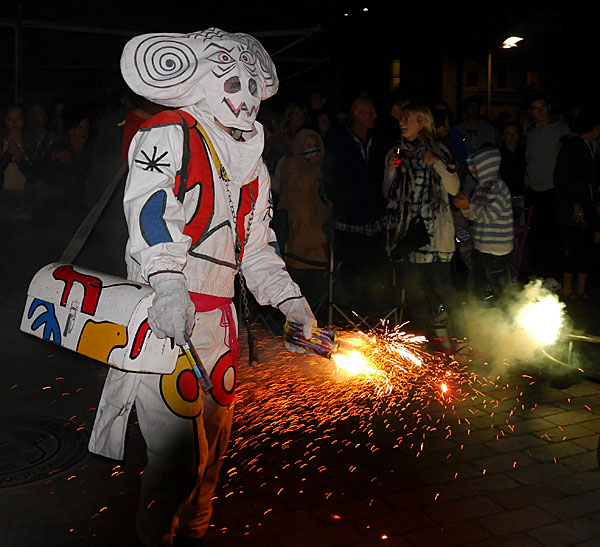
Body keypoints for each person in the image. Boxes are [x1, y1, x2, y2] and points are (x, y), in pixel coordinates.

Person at [87, 28, 316, 547]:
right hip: (167, 317)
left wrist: (290, 300)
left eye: (253, 84)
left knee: (211, 454)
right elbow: (149, 210)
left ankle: (194, 534)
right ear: (203, 82)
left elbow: (256, 249)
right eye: (232, 81)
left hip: (221, 327)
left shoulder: (253, 162)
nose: (245, 95)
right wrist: (168, 284)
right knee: (176, 461)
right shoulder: (169, 133)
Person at [383, 103, 467, 357]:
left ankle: (463, 343)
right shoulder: (396, 152)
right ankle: (422, 351)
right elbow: (387, 194)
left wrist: (438, 164)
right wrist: (390, 170)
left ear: (422, 122)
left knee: (444, 290)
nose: (401, 122)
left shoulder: (439, 149)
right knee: (416, 297)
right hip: (408, 238)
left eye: (407, 118)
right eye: (402, 118)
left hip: (436, 236)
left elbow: (454, 189)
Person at [322, 96, 388, 263]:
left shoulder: (379, 139)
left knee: (376, 271)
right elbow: (330, 174)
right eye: (370, 112)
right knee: (352, 272)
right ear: (356, 113)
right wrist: (340, 201)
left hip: (376, 218)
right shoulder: (339, 139)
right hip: (349, 219)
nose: (375, 116)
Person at [278, 128, 330, 314]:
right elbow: (295, 190)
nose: (311, 149)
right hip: (298, 245)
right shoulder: (291, 166)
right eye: (306, 145)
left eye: (314, 144)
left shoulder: (325, 171)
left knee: (319, 303)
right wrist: (314, 169)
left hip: (320, 245)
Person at [453, 147, 514, 303]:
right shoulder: (481, 187)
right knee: (475, 288)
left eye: (476, 165)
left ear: (487, 165)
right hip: (480, 247)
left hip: (497, 250)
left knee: (501, 291)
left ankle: (511, 323)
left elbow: (489, 216)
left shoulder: (498, 187)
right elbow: (474, 215)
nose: (473, 169)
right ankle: (477, 321)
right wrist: (464, 207)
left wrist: (468, 207)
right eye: (472, 165)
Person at [553, 109, 600, 301]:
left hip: (588, 205)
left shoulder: (592, 146)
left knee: (586, 247)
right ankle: (567, 288)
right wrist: (575, 203)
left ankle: (581, 289)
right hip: (573, 206)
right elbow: (564, 179)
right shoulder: (573, 146)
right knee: (574, 247)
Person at [524, 95, 571, 281]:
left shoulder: (561, 129)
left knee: (552, 235)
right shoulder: (532, 132)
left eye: (543, 107)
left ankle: (552, 275)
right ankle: (538, 275)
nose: (540, 111)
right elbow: (529, 158)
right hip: (533, 189)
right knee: (534, 235)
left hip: (552, 189)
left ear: (548, 107)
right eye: (536, 108)